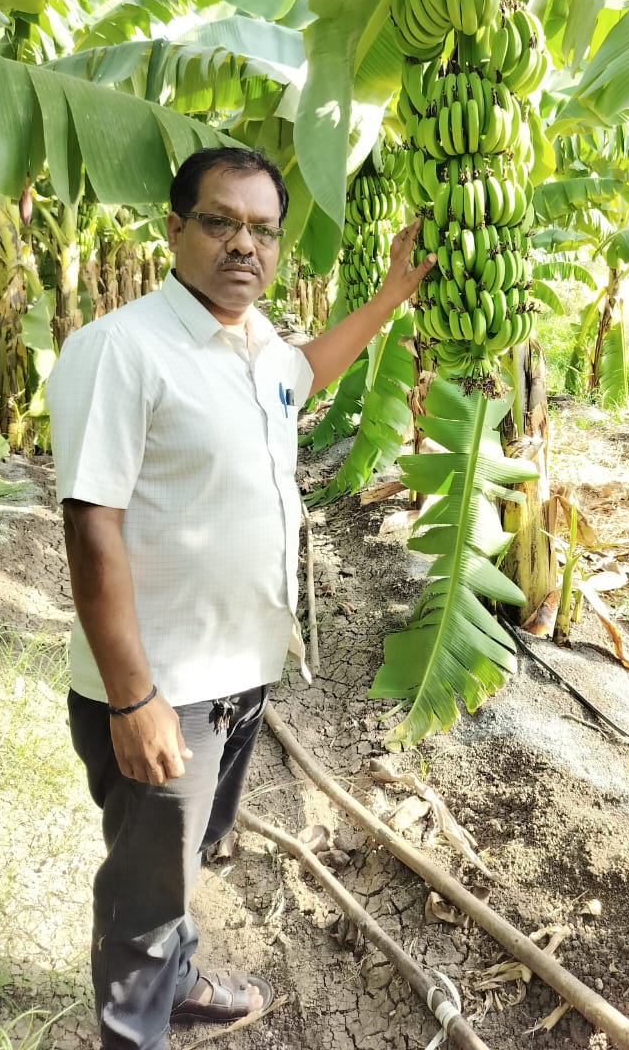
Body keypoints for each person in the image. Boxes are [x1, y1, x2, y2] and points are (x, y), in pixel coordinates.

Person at [46, 146, 435, 1050]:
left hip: (238, 676)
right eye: (220, 222)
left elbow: (310, 371)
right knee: (145, 897)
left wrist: (387, 299)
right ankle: (134, 1027)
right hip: (162, 686)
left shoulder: (258, 348)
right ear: (174, 228)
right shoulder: (122, 350)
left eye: (263, 229)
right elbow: (90, 526)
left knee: (179, 869)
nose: (243, 245)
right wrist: (135, 699)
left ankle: (178, 988)